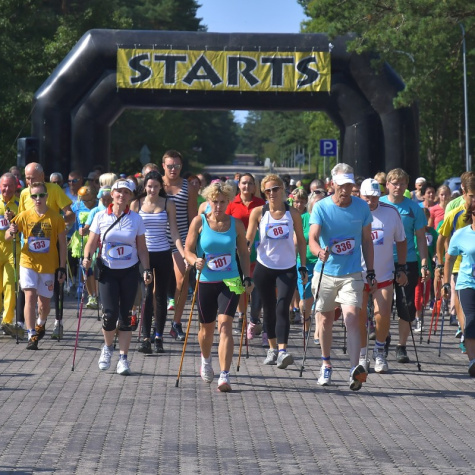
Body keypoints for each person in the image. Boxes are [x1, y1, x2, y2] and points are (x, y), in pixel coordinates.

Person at [308, 164, 376, 390]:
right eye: (341, 185)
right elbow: (312, 237)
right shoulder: (321, 207)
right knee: (325, 320)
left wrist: (371, 271)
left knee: (352, 318)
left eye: (349, 185)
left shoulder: (361, 207)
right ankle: (326, 364)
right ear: (332, 184)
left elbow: (367, 240)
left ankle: (354, 370)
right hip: (326, 272)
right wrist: (319, 251)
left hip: (352, 273)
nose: (346, 190)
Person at [185, 182, 252, 392]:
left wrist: (247, 277)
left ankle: (224, 375)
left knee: (225, 324)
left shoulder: (236, 224)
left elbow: (243, 252)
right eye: (215, 202)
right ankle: (206, 360)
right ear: (208, 201)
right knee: (206, 329)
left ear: (228, 202)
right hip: (205, 280)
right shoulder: (199, 221)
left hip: (231, 280)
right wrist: (194, 260)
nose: (218, 206)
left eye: (223, 202)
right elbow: (187, 249)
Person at [82, 178, 151, 375]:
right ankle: (107, 347)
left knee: (126, 316)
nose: (122, 195)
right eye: (119, 191)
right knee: (109, 314)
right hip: (108, 271)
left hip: (129, 270)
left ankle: (123, 358)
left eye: (126, 192)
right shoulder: (101, 216)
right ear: (112, 194)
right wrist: (87, 258)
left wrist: (147, 269)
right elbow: (91, 242)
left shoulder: (136, 219)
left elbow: (142, 248)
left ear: (130, 197)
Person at [246, 174, 308, 370]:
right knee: (269, 308)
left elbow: (301, 240)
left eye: (275, 189)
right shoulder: (258, 212)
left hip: (287, 268)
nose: (272, 193)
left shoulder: (293, 213)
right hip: (264, 267)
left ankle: (282, 351)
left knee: (282, 307)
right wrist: (243, 253)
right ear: (264, 193)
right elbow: (249, 238)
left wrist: (303, 265)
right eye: (268, 191)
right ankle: (272, 349)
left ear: (282, 190)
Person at [6, 182, 67, 349]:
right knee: (30, 297)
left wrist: (62, 267)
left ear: (47, 196)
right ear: (30, 197)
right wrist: (12, 230)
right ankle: (31, 334)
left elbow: (62, 245)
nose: (38, 199)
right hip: (28, 262)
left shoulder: (56, 217)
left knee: (44, 305)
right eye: (34, 196)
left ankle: (41, 322)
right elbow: (8, 236)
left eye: (41, 195)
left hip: (48, 265)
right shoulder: (24, 215)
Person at [131, 171, 185, 354]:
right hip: (144, 255)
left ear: (161, 187)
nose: (152, 189)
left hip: (163, 253)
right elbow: (131, 231)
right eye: (149, 186)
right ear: (144, 186)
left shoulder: (168, 203)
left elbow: (174, 232)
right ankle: (146, 338)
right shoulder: (137, 204)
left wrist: (183, 254)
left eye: (155, 186)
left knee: (161, 296)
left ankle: (159, 337)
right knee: (147, 295)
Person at [358, 178, 407, 374]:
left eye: (374, 197)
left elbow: (401, 240)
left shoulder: (390, 212)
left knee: (383, 314)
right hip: (358, 273)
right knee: (359, 316)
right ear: (360, 195)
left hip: (384, 273)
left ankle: (379, 351)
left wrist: (402, 267)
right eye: (367, 197)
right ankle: (362, 355)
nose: (371, 201)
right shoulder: (353, 211)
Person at [380, 168, 429, 363]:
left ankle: (401, 345)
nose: (398, 187)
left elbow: (421, 238)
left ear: (407, 186)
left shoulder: (413, 208)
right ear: (387, 185)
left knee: (406, 305)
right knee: (382, 304)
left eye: (402, 184)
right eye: (394, 183)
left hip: (407, 261)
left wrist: (424, 263)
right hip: (382, 261)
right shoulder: (379, 204)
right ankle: (383, 339)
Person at [162, 150, 199, 341]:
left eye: (176, 166)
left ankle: (176, 323)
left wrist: (194, 244)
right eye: (170, 166)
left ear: (181, 166)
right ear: (163, 166)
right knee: (156, 285)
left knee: (182, 280)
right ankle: (157, 321)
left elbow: (193, 217)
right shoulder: (156, 185)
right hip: (159, 239)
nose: (173, 169)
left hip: (182, 239)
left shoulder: (188, 187)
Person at [436, 175, 475, 349]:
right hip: (459, 266)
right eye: (471, 196)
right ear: (464, 193)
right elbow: (441, 239)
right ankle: (466, 335)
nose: (474, 200)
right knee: (463, 310)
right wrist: (440, 263)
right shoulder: (454, 211)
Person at [226, 173, 266, 341]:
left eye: (250, 183)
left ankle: (255, 317)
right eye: (244, 183)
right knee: (238, 284)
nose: (247, 186)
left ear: (255, 186)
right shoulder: (231, 203)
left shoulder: (261, 204)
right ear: (239, 185)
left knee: (255, 285)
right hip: (236, 248)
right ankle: (241, 315)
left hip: (257, 249)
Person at [443, 193, 475, 376]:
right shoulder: (461, 234)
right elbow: (449, 258)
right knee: (471, 319)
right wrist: (446, 283)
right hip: (467, 282)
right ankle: (473, 360)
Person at [0, 173, 21, 337]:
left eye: (10, 186)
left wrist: (13, 219)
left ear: (15, 186)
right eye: (4, 186)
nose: (7, 189)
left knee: (10, 284)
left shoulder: (20, 204)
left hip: (13, 248)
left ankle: (7, 321)